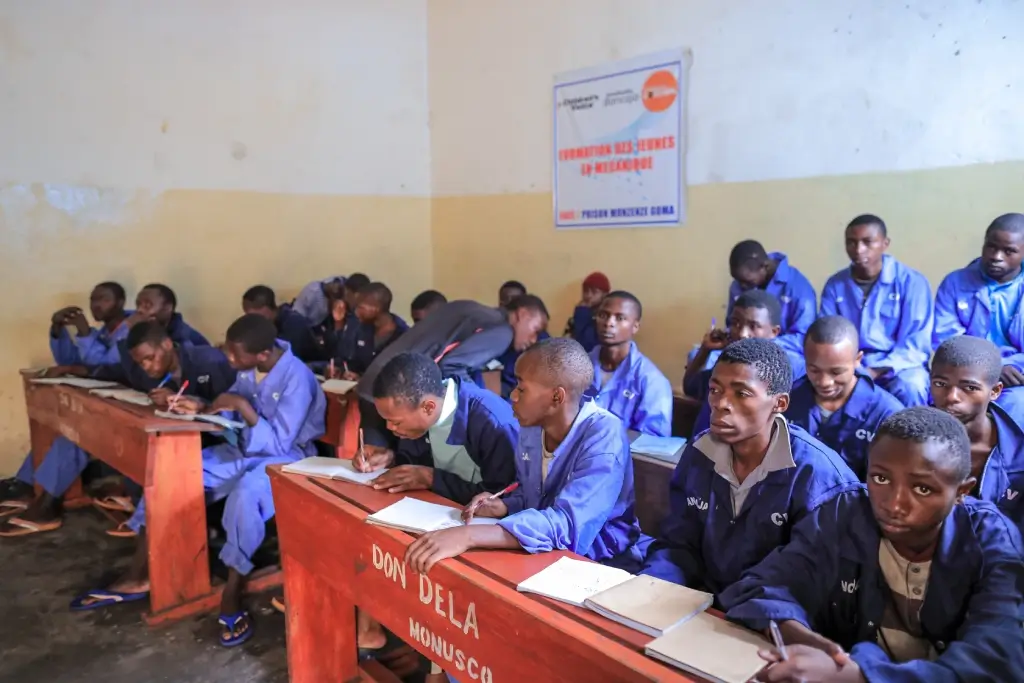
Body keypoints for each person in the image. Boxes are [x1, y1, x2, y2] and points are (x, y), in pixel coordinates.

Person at [69, 315, 325, 649]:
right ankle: (141, 572)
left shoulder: (297, 377)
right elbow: (230, 408)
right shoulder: (253, 367)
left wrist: (242, 407)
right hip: (244, 449)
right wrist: (202, 406)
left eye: (235, 356)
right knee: (173, 473)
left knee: (247, 495)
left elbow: (278, 442)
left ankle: (233, 587)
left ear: (262, 354)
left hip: (288, 459)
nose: (229, 361)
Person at [722, 407, 1024, 683]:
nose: (894, 504)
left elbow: (996, 663)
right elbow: (762, 586)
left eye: (922, 488)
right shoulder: (846, 511)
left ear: (961, 491)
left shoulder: (991, 540)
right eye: (880, 478)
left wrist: (859, 676)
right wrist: (808, 642)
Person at [641, 338, 863, 601]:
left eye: (741, 393)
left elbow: (802, 582)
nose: (721, 403)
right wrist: (650, 588)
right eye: (715, 389)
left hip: (770, 619)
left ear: (779, 403)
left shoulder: (819, 478)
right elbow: (679, 544)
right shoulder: (701, 451)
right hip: (700, 605)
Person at [404, 338, 648, 575]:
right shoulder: (532, 427)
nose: (512, 395)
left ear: (556, 397)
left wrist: (469, 535)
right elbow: (530, 495)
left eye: (521, 388)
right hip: (543, 553)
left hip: (601, 563)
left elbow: (568, 525)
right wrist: (503, 504)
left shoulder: (604, 436)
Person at [0, 322, 236, 535]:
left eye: (150, 358)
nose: (146, 367)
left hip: (215, 442)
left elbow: (233, 409)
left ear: (167, 344)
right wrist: (76, 369)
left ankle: (159, 522)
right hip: (168, 434)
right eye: (140, 362)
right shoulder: (146, 370)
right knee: (94, 430)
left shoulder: (208, 361)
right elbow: (117, 373)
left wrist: (195, 403)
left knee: (142, 450)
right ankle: (134, 511)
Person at [356, 296, 549, 448]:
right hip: (403, 397)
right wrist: (484, 409)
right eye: (536, 329)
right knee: (400, 473)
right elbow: (451, 366)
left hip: (376, 383)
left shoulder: (468, 307)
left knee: (373, 466)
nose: (533, 339)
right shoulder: (502, 331)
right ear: (522, 314)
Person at [357, 352, 517, 505]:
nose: (390, 427)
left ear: (428, 408)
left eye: (396, 423)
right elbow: (417, 462)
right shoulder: (424, 408)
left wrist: (431, 478)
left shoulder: (492, 424)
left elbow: (503, 497)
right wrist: (392, 458)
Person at [820, 215, 933, 406]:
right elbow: (828, 335)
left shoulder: (912, 282)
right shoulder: (835, 285)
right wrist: (848, 368)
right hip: (850, 365)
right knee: (819, 385)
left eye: (867, 242)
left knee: (912, 386)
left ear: (885, 243)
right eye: (851, 243)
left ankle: (913, 436)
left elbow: (915, 344)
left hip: (900, 366)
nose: (858, 250)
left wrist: (876, 370)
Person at [786, 316, 903, 480]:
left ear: (857, 360)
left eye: (836, 372)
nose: (824, 382)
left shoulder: (886, 415)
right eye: (814, 370)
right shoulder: (788, 400)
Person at [930, 336, 1024, 533]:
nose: (951, 397)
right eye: (940, 384)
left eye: (970, 388)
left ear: (995, 391)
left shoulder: (1019, 457)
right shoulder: (907, 441)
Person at [685, 290, 806, 436]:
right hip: (703, 448)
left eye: (753, 326)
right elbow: (690, 387)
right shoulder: (729, 366)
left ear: (774, 332)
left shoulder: (785, 370)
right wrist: (705, 349)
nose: (742, 333)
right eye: (735, 323)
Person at [934, 213, 1024, 387]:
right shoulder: (955, 283)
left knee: (1016, 405)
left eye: (1009, 251)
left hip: (1017, 377)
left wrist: (1010, 365)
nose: (996, 256)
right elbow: (946, 341)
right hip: (964, 375)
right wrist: (993, 367)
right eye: (991, 246)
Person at [587, 291, 673, 436]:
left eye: (620, 318)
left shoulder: (652, 381)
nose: (609, 323)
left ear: (635, 326)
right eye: (603, 315)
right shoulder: (575, 367)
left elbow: (653, 443)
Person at [727, 240, 816, 357]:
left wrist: (764, 344)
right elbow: (731, 324)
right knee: (705, 356)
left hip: (786, 352)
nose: (741, 287)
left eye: (747, 282)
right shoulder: (738, 285)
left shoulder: (799, 289)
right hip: (743, 347)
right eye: (737, 280)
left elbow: (804, 338)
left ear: (766, 267)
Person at [49, 281, 129, 366]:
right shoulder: (103, 333)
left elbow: (105, 368)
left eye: (105, 300)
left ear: (120, 303)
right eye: (93, 300)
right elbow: (69, 362)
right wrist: (57, 328)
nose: (96, 305)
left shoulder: (132, 330)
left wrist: (85, 333)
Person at [338, 282, 410, 377]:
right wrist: (344, 371)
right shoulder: (362, 329)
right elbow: (355, 363)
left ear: (376, 308)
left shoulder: (403, 335)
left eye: (360, 307)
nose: (356, 312)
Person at [241, 285, 317, 362]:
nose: (250, 318)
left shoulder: (293, 322)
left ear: (265, 309)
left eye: (251, 314)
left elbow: (285, 358)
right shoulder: (267, 323)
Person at [132, 283, 210, 347]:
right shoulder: (139, 329)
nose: (139, 310)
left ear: (167, 307)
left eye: (147, 305)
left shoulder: (187, 340)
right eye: (138, 305)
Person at [564, 271, 611, 352]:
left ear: (605, 295)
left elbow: (587, 343)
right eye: (586, 291)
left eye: (594, 292)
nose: (588, 295)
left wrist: (582, 313)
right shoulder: (579, 313)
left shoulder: (606, 318)